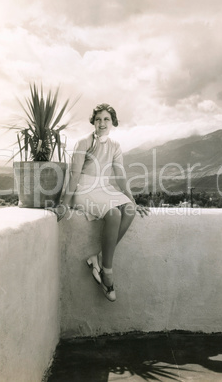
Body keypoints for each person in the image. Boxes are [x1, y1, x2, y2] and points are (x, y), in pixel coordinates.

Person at [60, 103, 149, 302]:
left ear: (113, 122)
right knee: (114, 214)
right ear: (93, 122)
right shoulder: (83, 143)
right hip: (83, 189)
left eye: (106, 119)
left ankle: (97, 258)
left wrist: (132, 200)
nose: (102, 123)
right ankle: (107, 272)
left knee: (129, 209)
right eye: (98, 119)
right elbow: (74, 175)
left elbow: (120, 176)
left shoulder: (115, 147)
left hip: (104, 188)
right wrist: (65, 204)